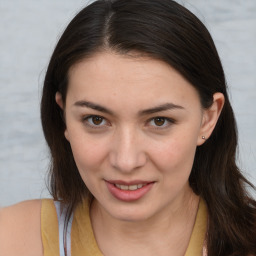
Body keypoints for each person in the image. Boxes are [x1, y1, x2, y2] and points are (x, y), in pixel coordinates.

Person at [0, 0, 256, 255]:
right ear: (63, 116)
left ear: (208, 119)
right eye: (96, 120)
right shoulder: (9, 238)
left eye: (159, 121)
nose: (125, 161)